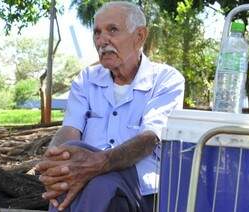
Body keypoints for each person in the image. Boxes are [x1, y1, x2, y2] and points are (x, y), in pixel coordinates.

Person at [36, 1, 185, 212]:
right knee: (66, 173)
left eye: (112, 30)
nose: (102, 40)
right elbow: (70, 128)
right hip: (83, 176)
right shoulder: (87, 79)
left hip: (138, 187)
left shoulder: (166, 79)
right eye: (97, 33)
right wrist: (54, 162)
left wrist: (98, 164)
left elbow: (150, 138)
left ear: (140, 36)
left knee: (101, 186)